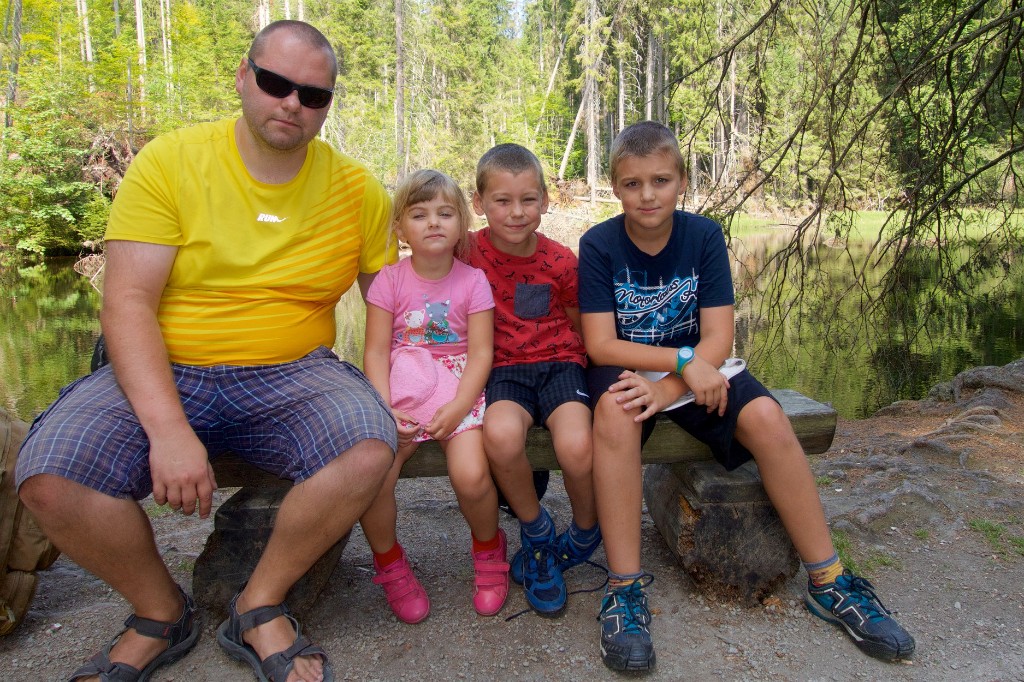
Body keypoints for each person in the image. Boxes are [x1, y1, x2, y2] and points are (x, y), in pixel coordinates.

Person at [15, 20, 397, 682]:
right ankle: (160, 610)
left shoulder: (358, 190)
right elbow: (126, 303)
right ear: (244, 78)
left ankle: (260, 602)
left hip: (293, 372)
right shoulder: (172, 161)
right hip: (166, 366)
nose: (291, 104)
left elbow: (395, 306)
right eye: (276, 83)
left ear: (327, 104)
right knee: (48, 477)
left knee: (369, 446)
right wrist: (168, 430)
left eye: (312, 95)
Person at [578, 121, 915, 672]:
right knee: (616, 416)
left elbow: (717, 337)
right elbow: (599, 344)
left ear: (682, 181)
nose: (647, 195)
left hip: (702, 368)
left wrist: (679, 380)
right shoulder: (598, 244)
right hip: (637, 367)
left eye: (660, 180)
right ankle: (624, 590)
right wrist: (679, 366)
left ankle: (829, 581)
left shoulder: (704, 236)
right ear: (616, 187)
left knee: (767, 418)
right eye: (632, 183)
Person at [360, 169, 509, 623]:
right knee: (376, 475)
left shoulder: (472, 282)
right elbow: (375, 351)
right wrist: (385, 410)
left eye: (445, 213)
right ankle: (390, 565)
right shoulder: (389, 280)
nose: (433, 223)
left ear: (462, 223)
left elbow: (482, 354)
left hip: (457, 385)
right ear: (399, 228)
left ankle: (488, 550)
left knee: (470, 474)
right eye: (419, 214)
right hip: (401, 385)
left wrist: (460, 406)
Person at [467, 144, 600, 617]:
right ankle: (537, 530)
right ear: (479, 202)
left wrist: (597, 367)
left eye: (528, 199)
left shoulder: (562, 261)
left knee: (577, 445)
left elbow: (577, 321)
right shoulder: (466, 252)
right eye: (502, 200)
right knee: (500, 436)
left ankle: (586, 530)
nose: (516, 212)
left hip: (561, 364)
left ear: (546, 200)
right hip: (503, 369)